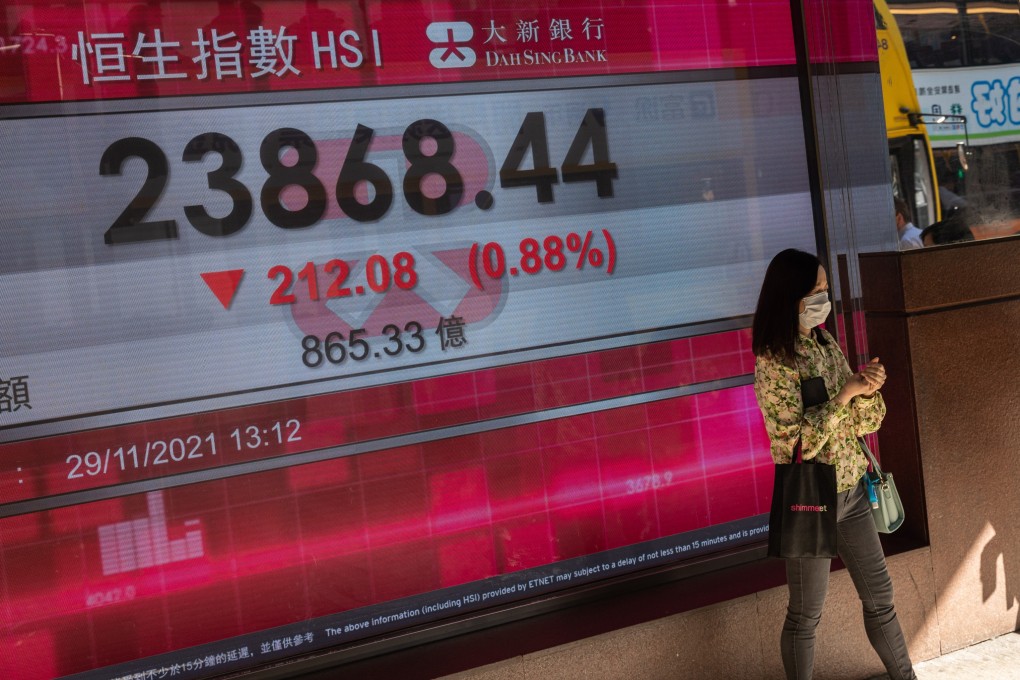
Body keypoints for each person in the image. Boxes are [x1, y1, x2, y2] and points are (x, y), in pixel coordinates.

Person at [751, 249, 917, 680]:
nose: (824, 298)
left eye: (826, 289)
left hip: (853, 488)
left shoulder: (825, 341)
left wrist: (866, 390)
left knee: (880, 596)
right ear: (790, 297)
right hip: (810, 495)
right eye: (816, 291)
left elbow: (866, 422)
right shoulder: (774, 361)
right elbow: (793, 447)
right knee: (806, 615)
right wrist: (843, 397)